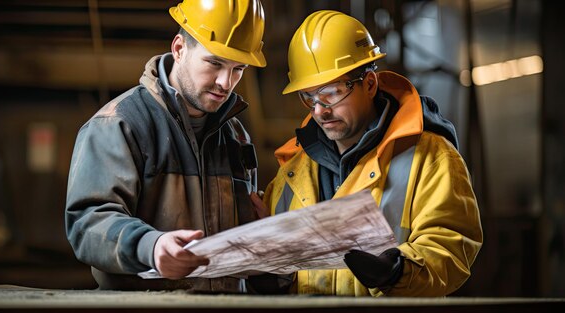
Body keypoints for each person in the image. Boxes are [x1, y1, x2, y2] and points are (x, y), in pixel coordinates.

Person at [255, 10, 483, 296]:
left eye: (332, 92)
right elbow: (285, 269)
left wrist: (398, 272)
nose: (319, 110)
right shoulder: (292, 171)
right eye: (309, 97)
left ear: (370, 84)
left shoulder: (431, 157)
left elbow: (452, 247)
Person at [65, 0, 266, 293]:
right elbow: (86, 224)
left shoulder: (236, 136)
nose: (226, 82)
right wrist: (152, 246)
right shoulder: (120, 124)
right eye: (214, 63)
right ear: (179, 48)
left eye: (239, 69)